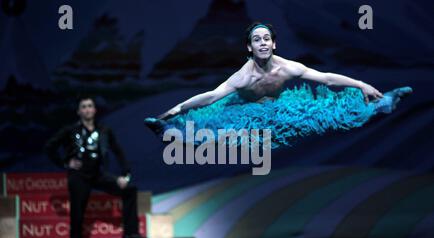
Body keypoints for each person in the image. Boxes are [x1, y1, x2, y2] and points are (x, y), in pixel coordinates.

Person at [144, 22, 412, 148]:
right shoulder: (243, 77)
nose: (262, 43)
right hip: (242, 111)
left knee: (329, 112)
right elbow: (210, 97)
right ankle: (167, 130)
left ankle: (383, 104)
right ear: (249, 47)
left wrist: (362, 83)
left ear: (274, 44)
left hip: (280, 108)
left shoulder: (289, 67)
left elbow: (327, 78)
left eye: (266, 39)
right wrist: (174, 110)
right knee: (208, 127)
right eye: (256, 40)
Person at [45, 97, 145, 238]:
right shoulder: (71, 130)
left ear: (95, 110)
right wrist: (65, 163)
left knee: (129, 190)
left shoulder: (104, 130)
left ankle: (130, 233)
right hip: (79, 176)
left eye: (90, 106)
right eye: (83, 107)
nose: (87, 109)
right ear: (79, 111)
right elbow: (49, 146)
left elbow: (117, 150)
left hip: (98, 174)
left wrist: (125, 174)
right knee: (77, 215)